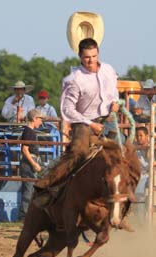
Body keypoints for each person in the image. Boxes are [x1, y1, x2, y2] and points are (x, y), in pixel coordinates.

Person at [35, 37, 119, 190]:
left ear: (98, 54)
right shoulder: (74, 79)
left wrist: (116, 103)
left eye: (94, 56)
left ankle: (132, 193)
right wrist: (90, 124)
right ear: (80, 56)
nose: (91, 60)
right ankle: (49, 185)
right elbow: (67, 110)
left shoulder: (109, 70)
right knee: (78, 153)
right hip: (84, 122)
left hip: (108, 119)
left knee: (125, 150)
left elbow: (114, 92)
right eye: (87, 57)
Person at [18, 109, 45, 219]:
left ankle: (27, 214)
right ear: (34, 119)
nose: (41, 122)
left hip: (29, 162)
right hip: (29, 163)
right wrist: (34, 164)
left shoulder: (29, 131)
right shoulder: (29, 132)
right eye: (40, 119)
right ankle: (24, 215)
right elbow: (25, 149)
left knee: (30, 188)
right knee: (29, 188)